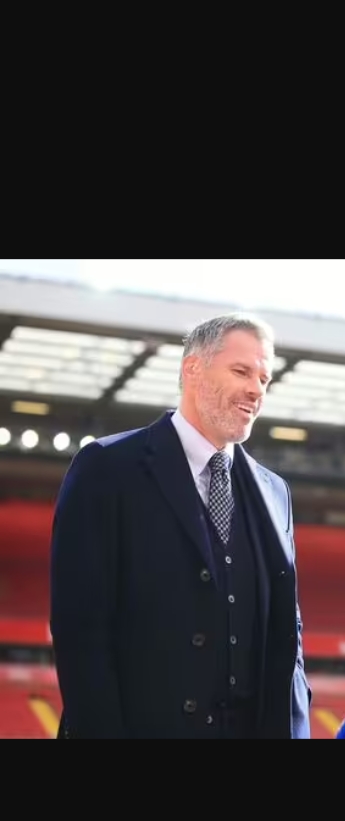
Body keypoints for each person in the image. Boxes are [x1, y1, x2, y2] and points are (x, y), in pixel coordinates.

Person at [50, 314, 311, 740]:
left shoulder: (275, 492)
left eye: (264, 379)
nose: (256, 390)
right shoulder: (108, 467)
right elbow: (80, 631)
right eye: (242, 371)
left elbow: (287, 640)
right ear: (193, 369)